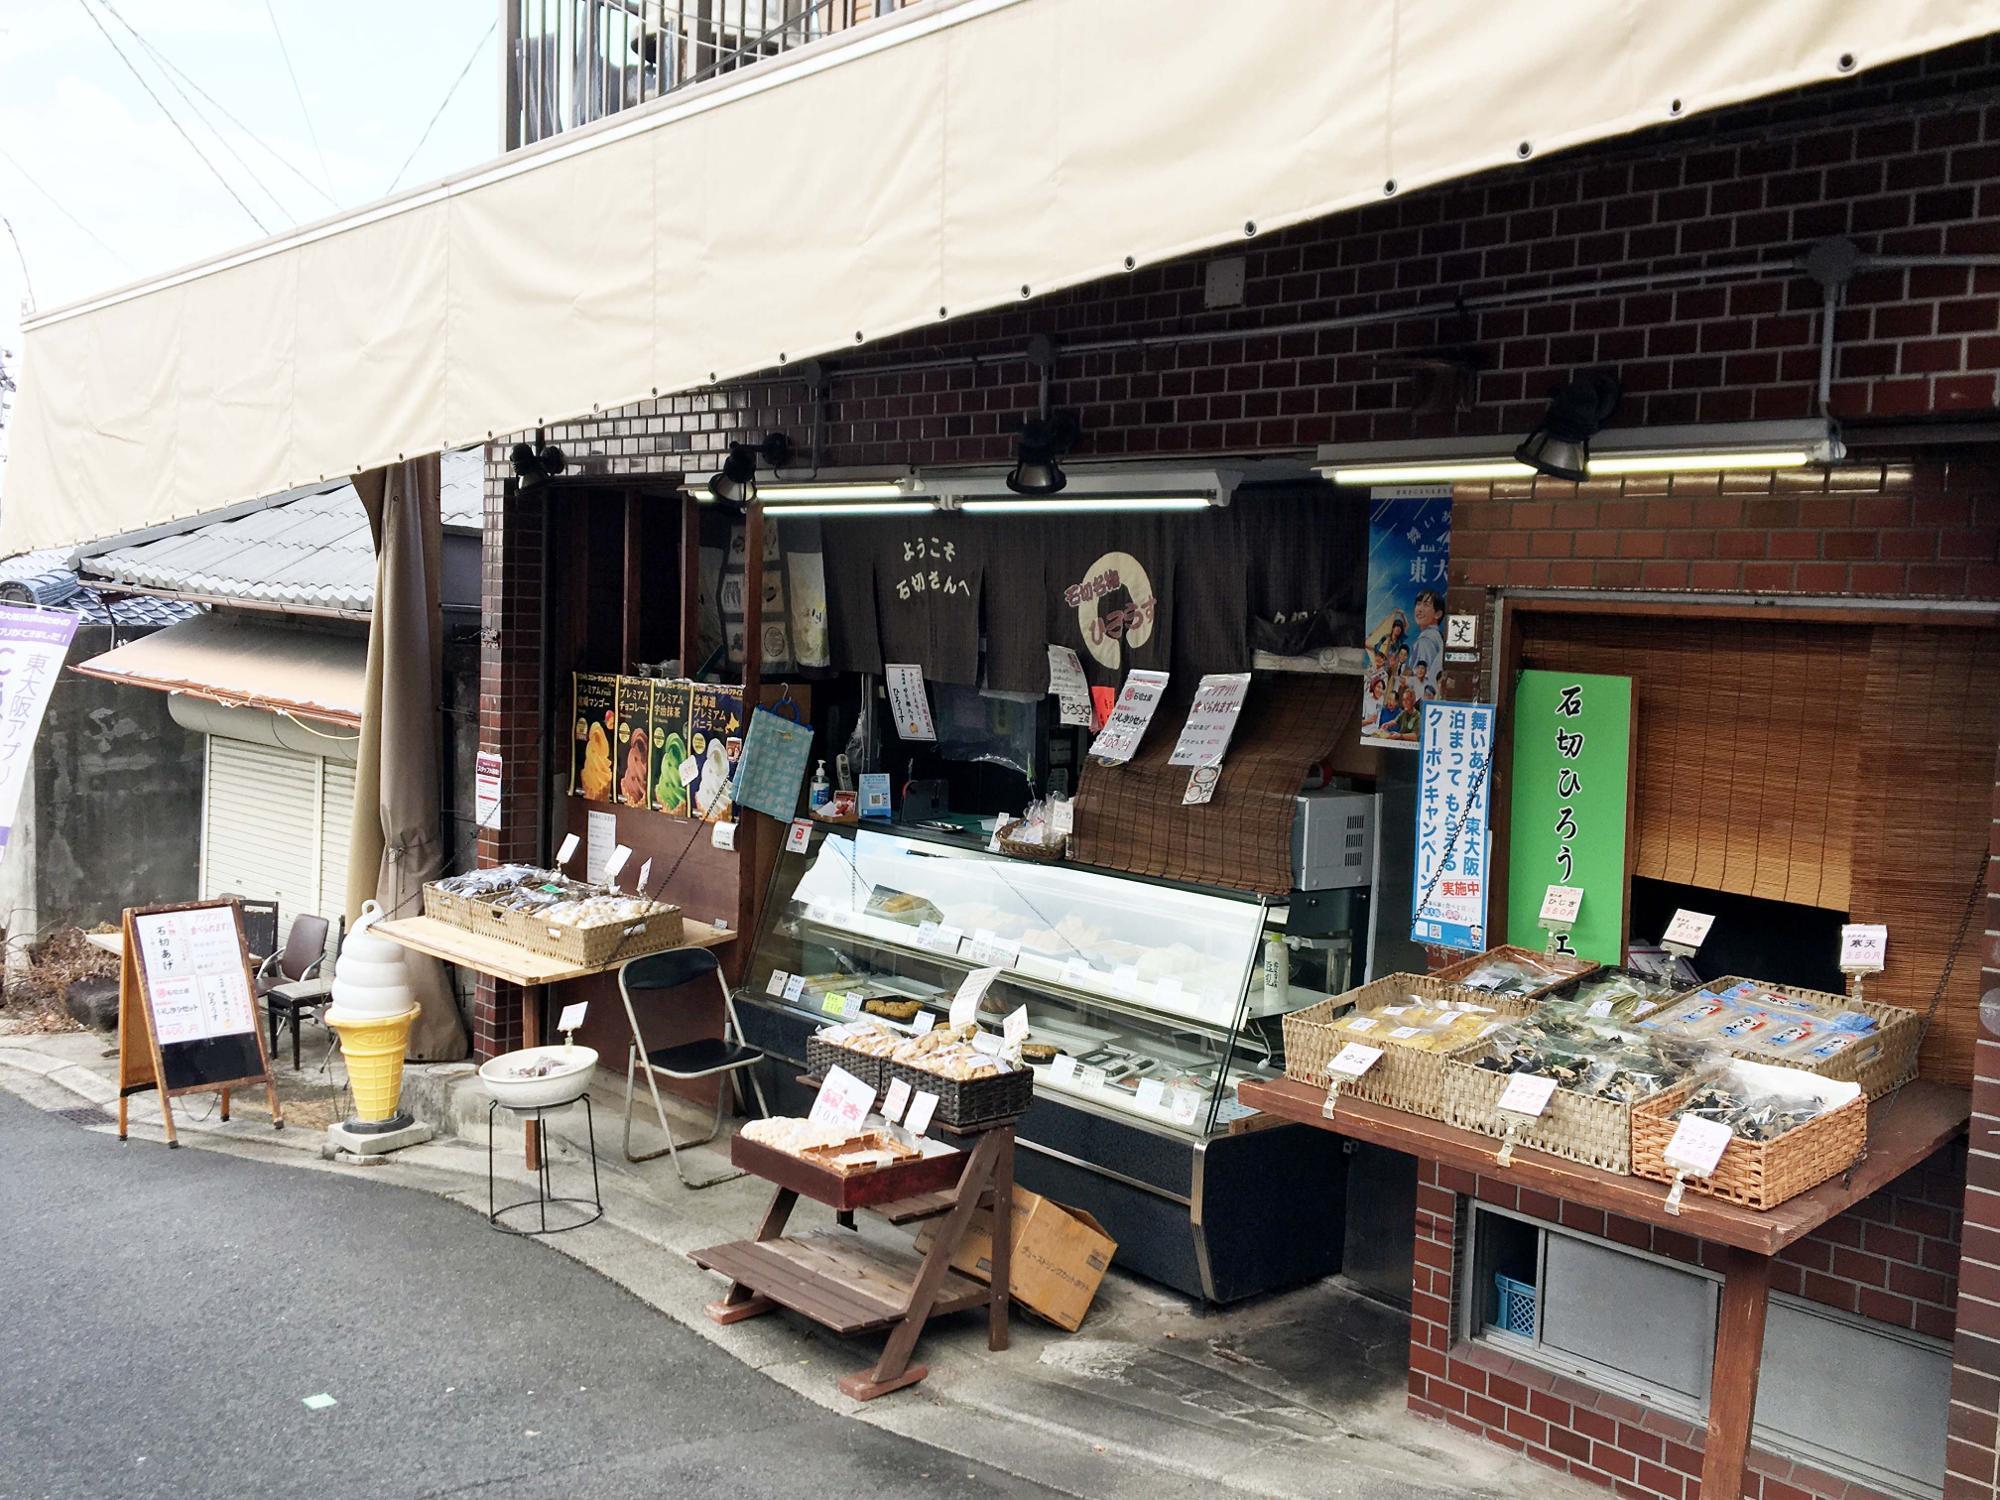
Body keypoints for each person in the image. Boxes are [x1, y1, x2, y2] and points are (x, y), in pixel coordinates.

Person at [1410, 588, 1446, 696]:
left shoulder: (1426, 640)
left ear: (1438, 614)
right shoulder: (1436, 636)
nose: (1419, 609)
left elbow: (1424, 676)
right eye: (1418, 604)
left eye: (1426, 605)